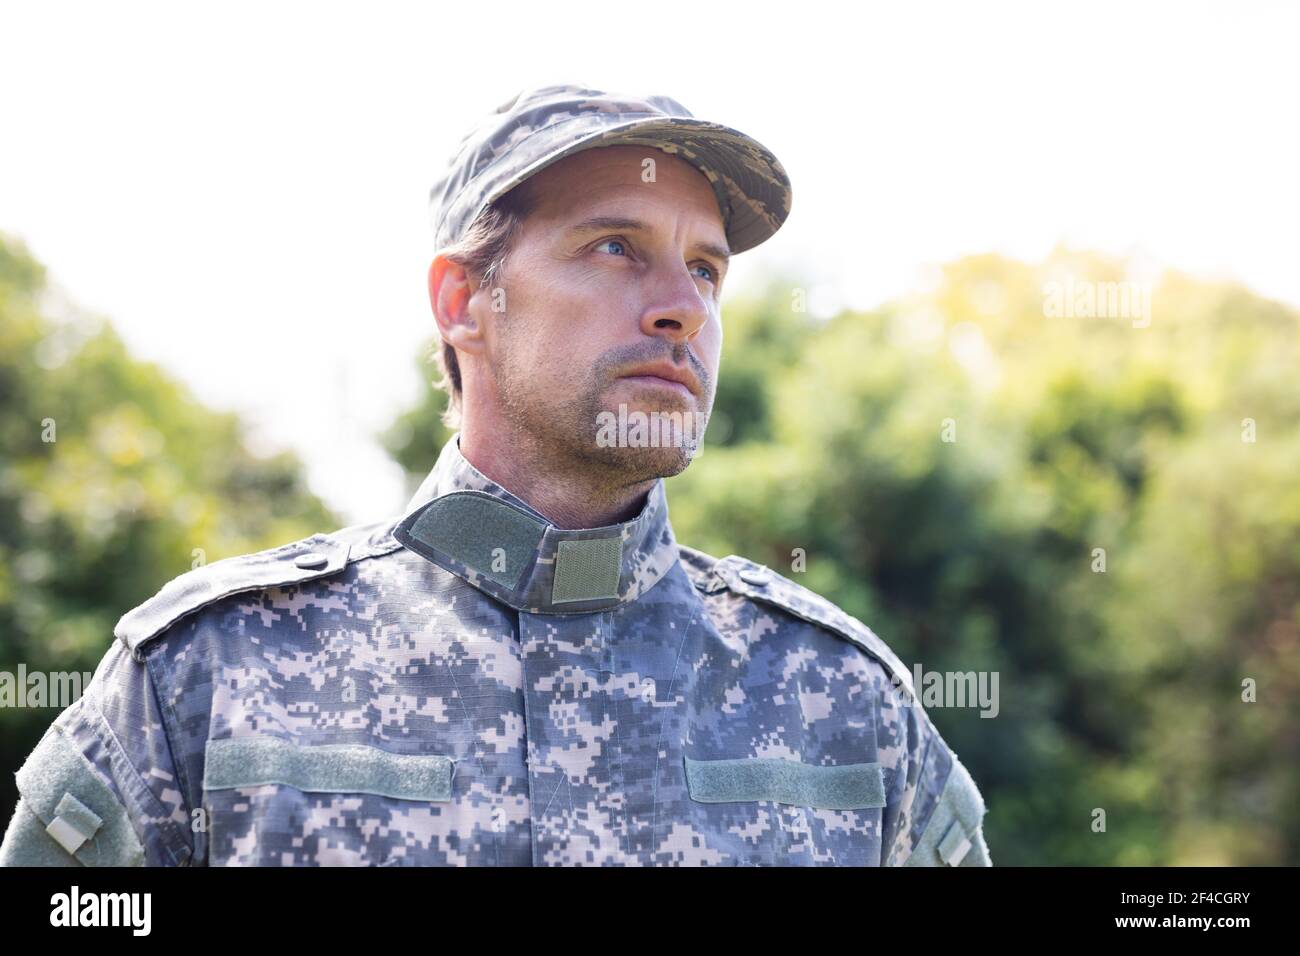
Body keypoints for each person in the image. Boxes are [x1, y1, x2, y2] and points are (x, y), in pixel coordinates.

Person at [0, 83, 990, 866]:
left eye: (706, 268)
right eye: (615, 247)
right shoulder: (204, 675)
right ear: (465, 299)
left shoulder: (847, 705)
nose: (681, 307)